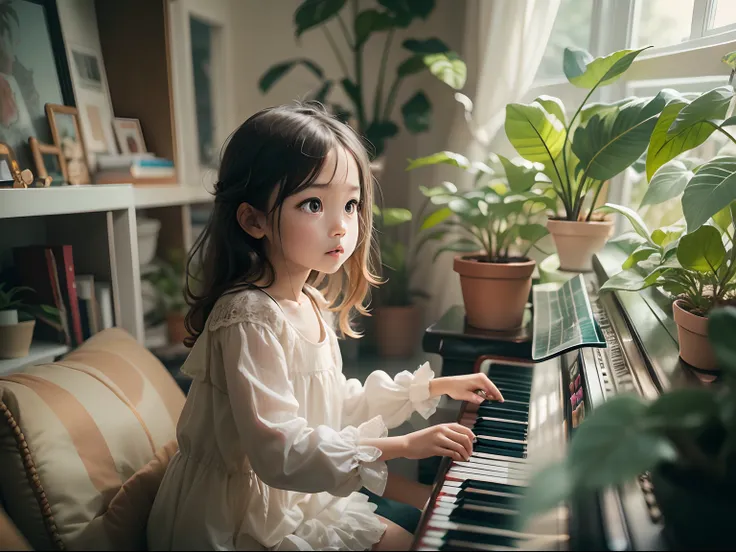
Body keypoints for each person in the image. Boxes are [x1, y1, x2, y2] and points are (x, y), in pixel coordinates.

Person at [147, 103, 504, 551]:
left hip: (294, 499)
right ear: (252, 219)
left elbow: (333, 407)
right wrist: (404, 446)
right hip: (239, 519)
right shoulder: (247, 317)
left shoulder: (309, 301)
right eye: (313, 204)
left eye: (351, 204)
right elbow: (279, 452)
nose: (340, 226)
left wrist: (430, 389)